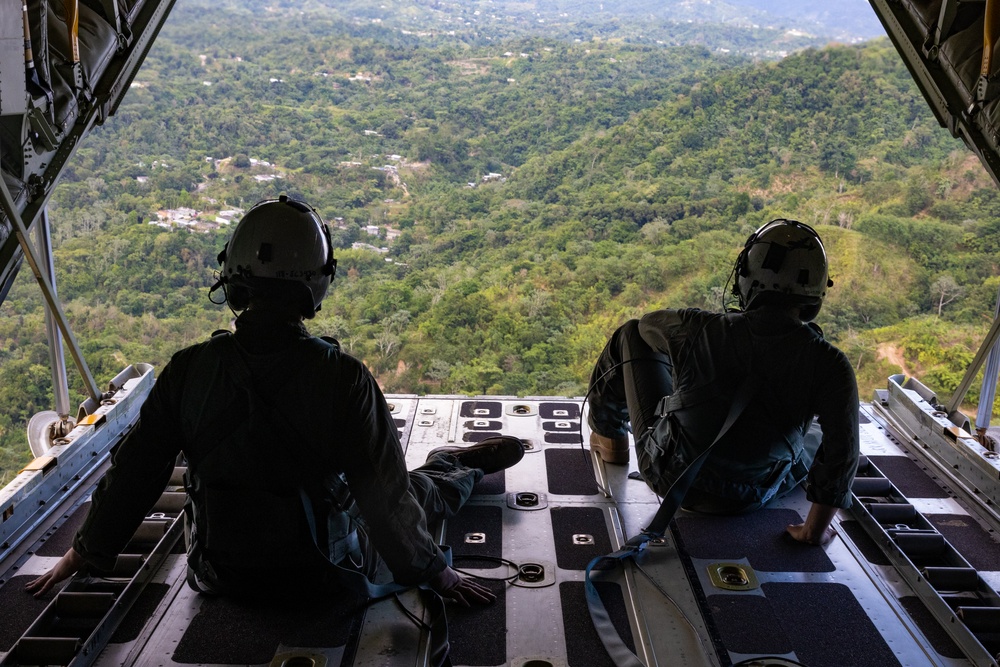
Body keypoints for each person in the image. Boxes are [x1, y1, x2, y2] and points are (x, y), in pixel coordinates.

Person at [27, 195, 524, 604]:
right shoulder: (344, 379)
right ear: (317, 283)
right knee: (418, 492)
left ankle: (453, 464)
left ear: (234, 278)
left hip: (220, 574)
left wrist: (85, 552)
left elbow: (137, 472)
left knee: (403, 491)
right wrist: (438, 575)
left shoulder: (188, 370)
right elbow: (385, 498)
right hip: (320, 574)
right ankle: (458, 468)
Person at [586, 219, 859, 545]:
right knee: (815, 435)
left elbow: (646, 328)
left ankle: (610, 436)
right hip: (754, 495)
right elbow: (842, 455)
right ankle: (811, 520)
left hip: (671, 478)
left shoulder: (698, 328)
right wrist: (811, 532)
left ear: (746, 279)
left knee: (628, 333)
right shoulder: (831, 364)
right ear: (814, 295)